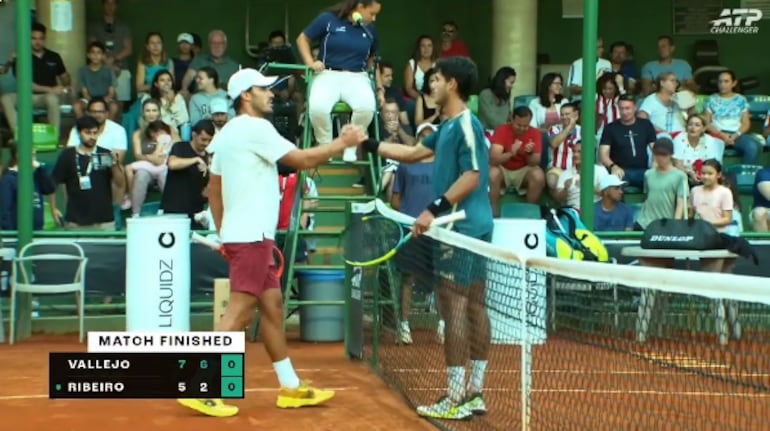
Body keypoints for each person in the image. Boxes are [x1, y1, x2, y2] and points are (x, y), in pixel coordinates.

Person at [177, 68, 366, 417]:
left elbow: (214, 189)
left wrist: (223, 231)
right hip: (249, 237)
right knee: (238, 312)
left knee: (273, 306)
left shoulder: (227, 133)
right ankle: (200, 385)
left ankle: (290, 387)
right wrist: (342, 143)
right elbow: (302, 160)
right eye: (264, 89)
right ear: (246, 96)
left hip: (249, 235)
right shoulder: (255, 128)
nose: (272, 94)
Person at [364, 56, 493, 420]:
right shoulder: (447, 126)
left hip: (460, 226)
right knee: (473, 303)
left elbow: (472, 175)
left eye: (435, 79)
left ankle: (456, 396)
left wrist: (432, 210)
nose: (429, 85)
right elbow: (412, 152)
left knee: (454, 305)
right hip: (467, 225)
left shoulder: (466, 124)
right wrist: (368, 144)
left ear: (452, 84)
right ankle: (474, 392)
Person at [296, 0, 381, 162]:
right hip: (327, 74)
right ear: (360, 6)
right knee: (318, 108)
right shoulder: (328, 19)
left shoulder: (369, 29)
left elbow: (372, 57)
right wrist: (310, 63)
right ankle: (326, 146)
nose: (374, 18)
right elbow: (302, 39)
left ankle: (350, 146)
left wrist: (373, 79)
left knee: (367, 108)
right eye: (372, 13)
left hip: (357, 77)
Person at [390, 123, 441, 345]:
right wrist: (409, 219)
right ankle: (403, 326)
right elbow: (395, 200)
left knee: (442, 280)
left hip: (438, 231)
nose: (426, 141)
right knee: (408, 279)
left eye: (431, 138)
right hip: (411, 230)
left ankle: (443, 326)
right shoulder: (405, 165)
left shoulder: (443, 167)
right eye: (423, 137)